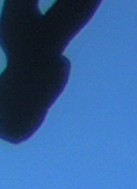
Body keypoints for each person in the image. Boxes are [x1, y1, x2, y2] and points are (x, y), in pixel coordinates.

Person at [0, 0, 102, 143]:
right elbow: (59, 69)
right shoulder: (12, 128)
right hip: (25, 44)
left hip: (36, 50)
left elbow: (60, 68)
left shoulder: (14, 129)